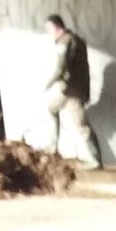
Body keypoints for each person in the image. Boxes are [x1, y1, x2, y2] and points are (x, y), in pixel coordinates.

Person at [43, 13, 101, 169]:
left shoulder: (65, 41)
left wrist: (49, 83)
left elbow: (61, 67)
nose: (49, 33)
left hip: (72, 92)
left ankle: (96, 161)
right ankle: (53, 148)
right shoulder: (76, 39)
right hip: (70, 90)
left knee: (82, 126)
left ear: (57, 28)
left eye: (49, 29)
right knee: (51, 109)